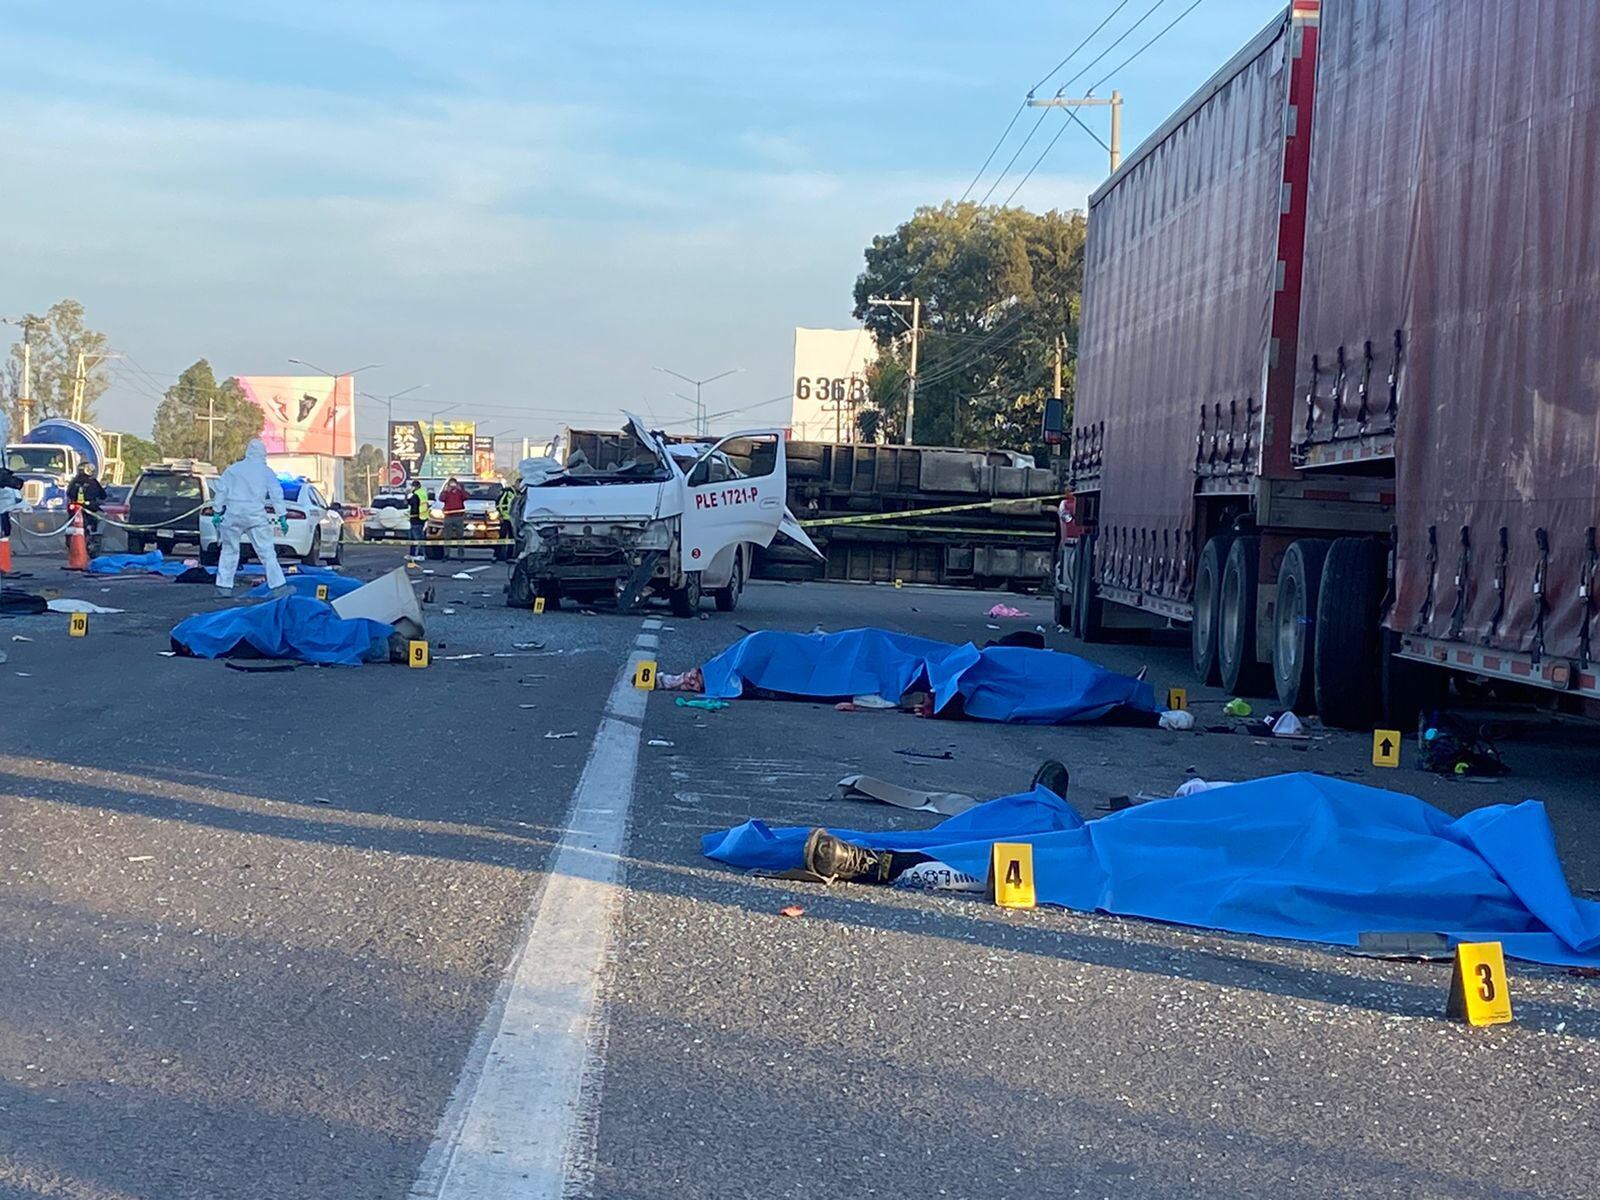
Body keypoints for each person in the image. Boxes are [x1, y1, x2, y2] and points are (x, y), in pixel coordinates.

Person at [211, 439, 287, 594]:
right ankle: (277, 585)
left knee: (229, 550)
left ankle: (224, 586)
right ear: (263, 454)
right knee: (266, 552)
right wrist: (282, 516)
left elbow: (221, 491)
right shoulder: (266, 472)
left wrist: (217, 511)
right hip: (255, 517)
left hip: (233, 515)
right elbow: (276, 494)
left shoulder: (233, 469)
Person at [66, 463, 107, 548]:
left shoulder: (74, 481)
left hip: (75, 508)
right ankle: (96, 537)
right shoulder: (93, 482)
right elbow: (103, 495)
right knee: (102, 518)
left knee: (70, 520)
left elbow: (69, 493)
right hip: (89, 507)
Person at [440, 476, 468, 559]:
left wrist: (460, 490)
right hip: (448, 517)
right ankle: (446, 554)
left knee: (460, 536)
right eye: (451, 484)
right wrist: (446, 491)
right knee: (447, 536)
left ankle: (461, 555)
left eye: (454, 483)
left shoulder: (460, 492)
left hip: (458, 517)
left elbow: (466, 497)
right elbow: (441, 499)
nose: (453, 485)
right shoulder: (447, 492)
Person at [407, 478, 431, 560]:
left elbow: (411, 504)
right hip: (422, 517)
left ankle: (420, 555)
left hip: (416, 518)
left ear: (415, 487)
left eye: (412, 486)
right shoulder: (423, 493)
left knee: (417, 537)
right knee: (415, 537)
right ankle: (412, 554)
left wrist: (407, 495)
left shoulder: (416, 495)